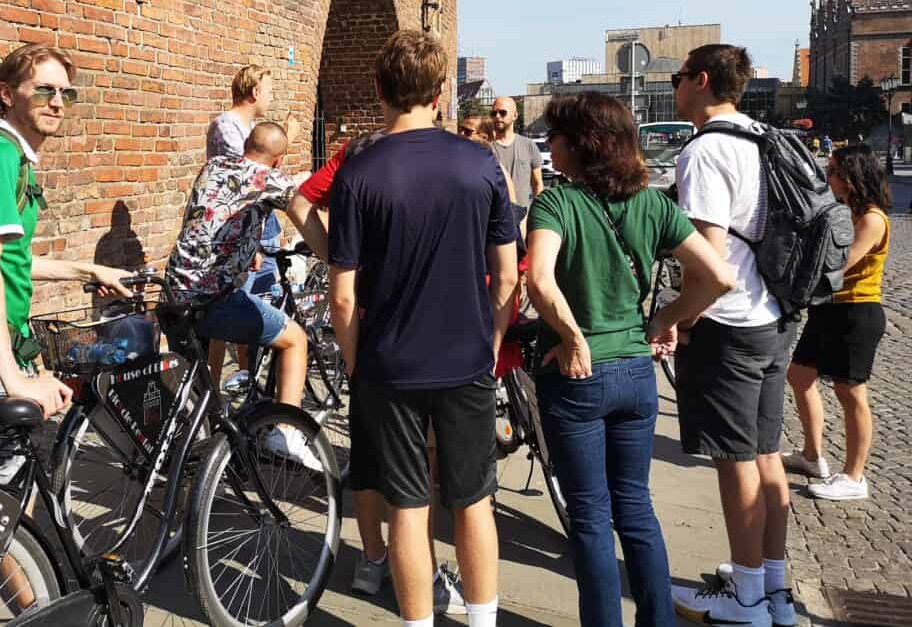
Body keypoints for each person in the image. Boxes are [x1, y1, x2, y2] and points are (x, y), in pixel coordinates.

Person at [329, 31, 519, 627]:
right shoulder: (480, 163)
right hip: (465, 358)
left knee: (407, 507)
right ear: (440, 93)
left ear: (380, 90)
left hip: (388, 361)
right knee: (473, 500)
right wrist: (490, 342)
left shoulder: (359, 171)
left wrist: (356, 360)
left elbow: (342, 294)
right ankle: (483, 619)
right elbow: (508, 276)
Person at [527, 93, 735, 627]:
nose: (549, 145)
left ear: (580, 143)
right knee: (636, 507)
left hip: (578, 378)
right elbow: (719, 277)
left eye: (556, 136)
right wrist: (667, 321)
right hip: (637, 376)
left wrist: (572, 336)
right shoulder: (655, 204)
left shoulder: (556, 204)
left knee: (592, 519)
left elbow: (541, 281)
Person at [0, 44, 133, 475]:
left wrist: (86, 270)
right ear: (6, 93)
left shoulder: (7, 157)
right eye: (43, 91)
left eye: (65, 94)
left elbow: (6, 261)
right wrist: (14, 378)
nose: (57, 103)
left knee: (3, 501)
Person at [289, 125, 467, 615]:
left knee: (368, 455)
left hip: (365, 327)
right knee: (418, 464)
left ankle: (371, 559)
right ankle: (424, 573)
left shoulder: (357, 153)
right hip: (414, 324)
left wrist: (337, 257)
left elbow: (299, 202)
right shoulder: (434, 153)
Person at [669, 44, 796, 627]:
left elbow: (709, 262)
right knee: (766, 455)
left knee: (735, 461)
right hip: (774, 315)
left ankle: (745, 602)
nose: (675, 88)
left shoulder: (706, 151)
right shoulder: (765, 138)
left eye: (677, 78)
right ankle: (772, 586)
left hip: (730, 322)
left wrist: (676, 317)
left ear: (699, 81)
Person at [166, 122, 320, 468]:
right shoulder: (271, 180)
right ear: (278, 161)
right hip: (211, 298)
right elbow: (307, 218)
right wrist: (336, 258)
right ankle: (286, 433)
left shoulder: (214, 166)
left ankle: (191, 462)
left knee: (200, 389)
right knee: (295, 339)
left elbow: (215, 215)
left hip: (175, 290)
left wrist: (245, 247)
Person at [785, 145, 891, 501]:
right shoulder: (844, 210)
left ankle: (855, 476)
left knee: (851, 392)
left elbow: (840, 263)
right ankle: (812, 456)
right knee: (799, 376)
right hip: (829, 309)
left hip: (856, 312)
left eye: (832, 171)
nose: (827, 177)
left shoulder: (872, 218)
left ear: (852, 177)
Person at [206, 64, 299, 387]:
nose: (271, 96)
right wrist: (287, 138)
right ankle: (212, 389)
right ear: (255, 91)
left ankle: (249, 381)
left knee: (258, 309)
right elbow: (252, 175)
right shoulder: (226, 127)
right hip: (238, 237)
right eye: (269, 90)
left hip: (260, 228)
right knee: (226, 312)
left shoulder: (251, 126)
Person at [489, 96, 544, 208]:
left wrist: (535, 215)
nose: (497, 116)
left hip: (521, 219)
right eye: (494, 113)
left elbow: (537, 184)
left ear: (515, 115)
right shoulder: (486, 148)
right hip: (493, 219)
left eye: (502, 112)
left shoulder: (528, 145)